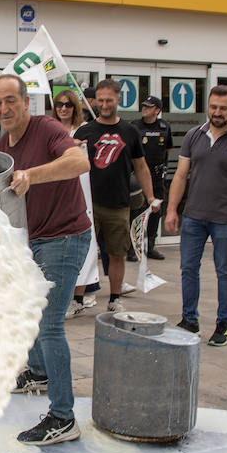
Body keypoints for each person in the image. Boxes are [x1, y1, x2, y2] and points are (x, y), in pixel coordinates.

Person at [0, 73, 91, 447]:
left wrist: (31, 175)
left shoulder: (47, 127)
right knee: (27, 310)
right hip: (32, 239)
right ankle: (38, 372)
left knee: (49, 324)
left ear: (25, 102)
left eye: (10, 101)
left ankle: (64, 418)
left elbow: (79, 162)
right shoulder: (4, 142)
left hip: (65, 237)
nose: (4, 108)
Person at [164, 85, 227, 347]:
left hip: (225, 219)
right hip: (194, 216)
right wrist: (172, 210)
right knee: (188, 268)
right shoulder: (194, 135)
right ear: (208, 106)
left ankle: (224, 324)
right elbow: (181, 175)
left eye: (223, 108)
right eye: (214, 107)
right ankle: (189, 320)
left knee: (224, 271)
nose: (217, 113)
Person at [74, 79, 158, 312]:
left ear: (119, 99)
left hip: (118, 203)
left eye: (109, 100)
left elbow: (140, 167)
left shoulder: (130, 131)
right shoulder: (85, 130)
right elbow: (70, 163)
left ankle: (114, 298)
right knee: (84, 253)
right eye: (100, 100)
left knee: (117, 253)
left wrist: (150, 196)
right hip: (87, 204)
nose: (104, 104)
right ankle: (77, 300)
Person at [53, 90, 99, 314]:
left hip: (81, 186)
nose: (63, 108)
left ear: (75, 107)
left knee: (84, 241)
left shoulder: (85, 130)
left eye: (68, 105)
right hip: (57, 188)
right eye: (59, 104)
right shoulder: (51, 129)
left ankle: (78, 297)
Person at [131, 95, 173, 260]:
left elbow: (168, 148)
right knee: (136, 210)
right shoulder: (135, 126)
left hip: (157, 175)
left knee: (156, 210)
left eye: (149, 107)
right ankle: (133, 248)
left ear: (157, 110)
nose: (145, 109)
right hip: (138, 175)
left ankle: (151, 246)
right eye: (144, 106)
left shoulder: (164, 126)